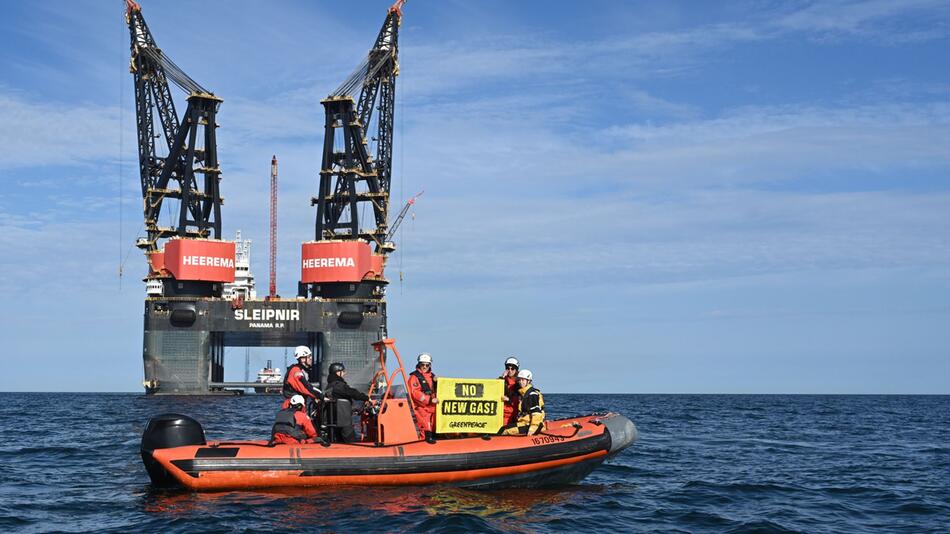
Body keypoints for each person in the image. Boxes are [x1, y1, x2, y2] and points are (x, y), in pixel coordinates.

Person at [325, 362, 374, 443]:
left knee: (339, 440)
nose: (345, 373)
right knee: (350, 440)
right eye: (343, 372)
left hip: (333, 419)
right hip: (343, 420)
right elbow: (352, 392)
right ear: (338, 372)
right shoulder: (339, 385)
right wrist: (366, 398)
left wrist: (353, 409)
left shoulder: (329, 386)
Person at [501, 369, 545, 436]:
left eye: (523, 380)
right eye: (520, 380)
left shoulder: (532, 394)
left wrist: (533, 428)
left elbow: (536, 413)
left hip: (529, 425)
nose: (521, 382)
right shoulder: (523, 393)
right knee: (503, 428)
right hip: (523, 422)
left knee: (505, 430)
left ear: (529, 381)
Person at [408, 352, 438, 443]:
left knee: (434, 422)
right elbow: (415, 393)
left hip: (432, 406)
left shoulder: (432, 376)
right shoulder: (414, 377)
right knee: (425, 423)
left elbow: (435, 390)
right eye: (422, 365)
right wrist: (429, 400)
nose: (424, 367)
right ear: (419, 364)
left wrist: (437, 382)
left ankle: (435, 438)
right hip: (422, 407)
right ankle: (425, 440)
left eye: (427, 365)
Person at [499, 356, 521, 428]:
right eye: (508, 368)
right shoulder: (500, 381)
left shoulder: (520, 382)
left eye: (512, 369)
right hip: (501, 415)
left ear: (516, 370)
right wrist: (502, 379)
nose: (510, 370)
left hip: (514, 415)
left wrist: (509, 400)